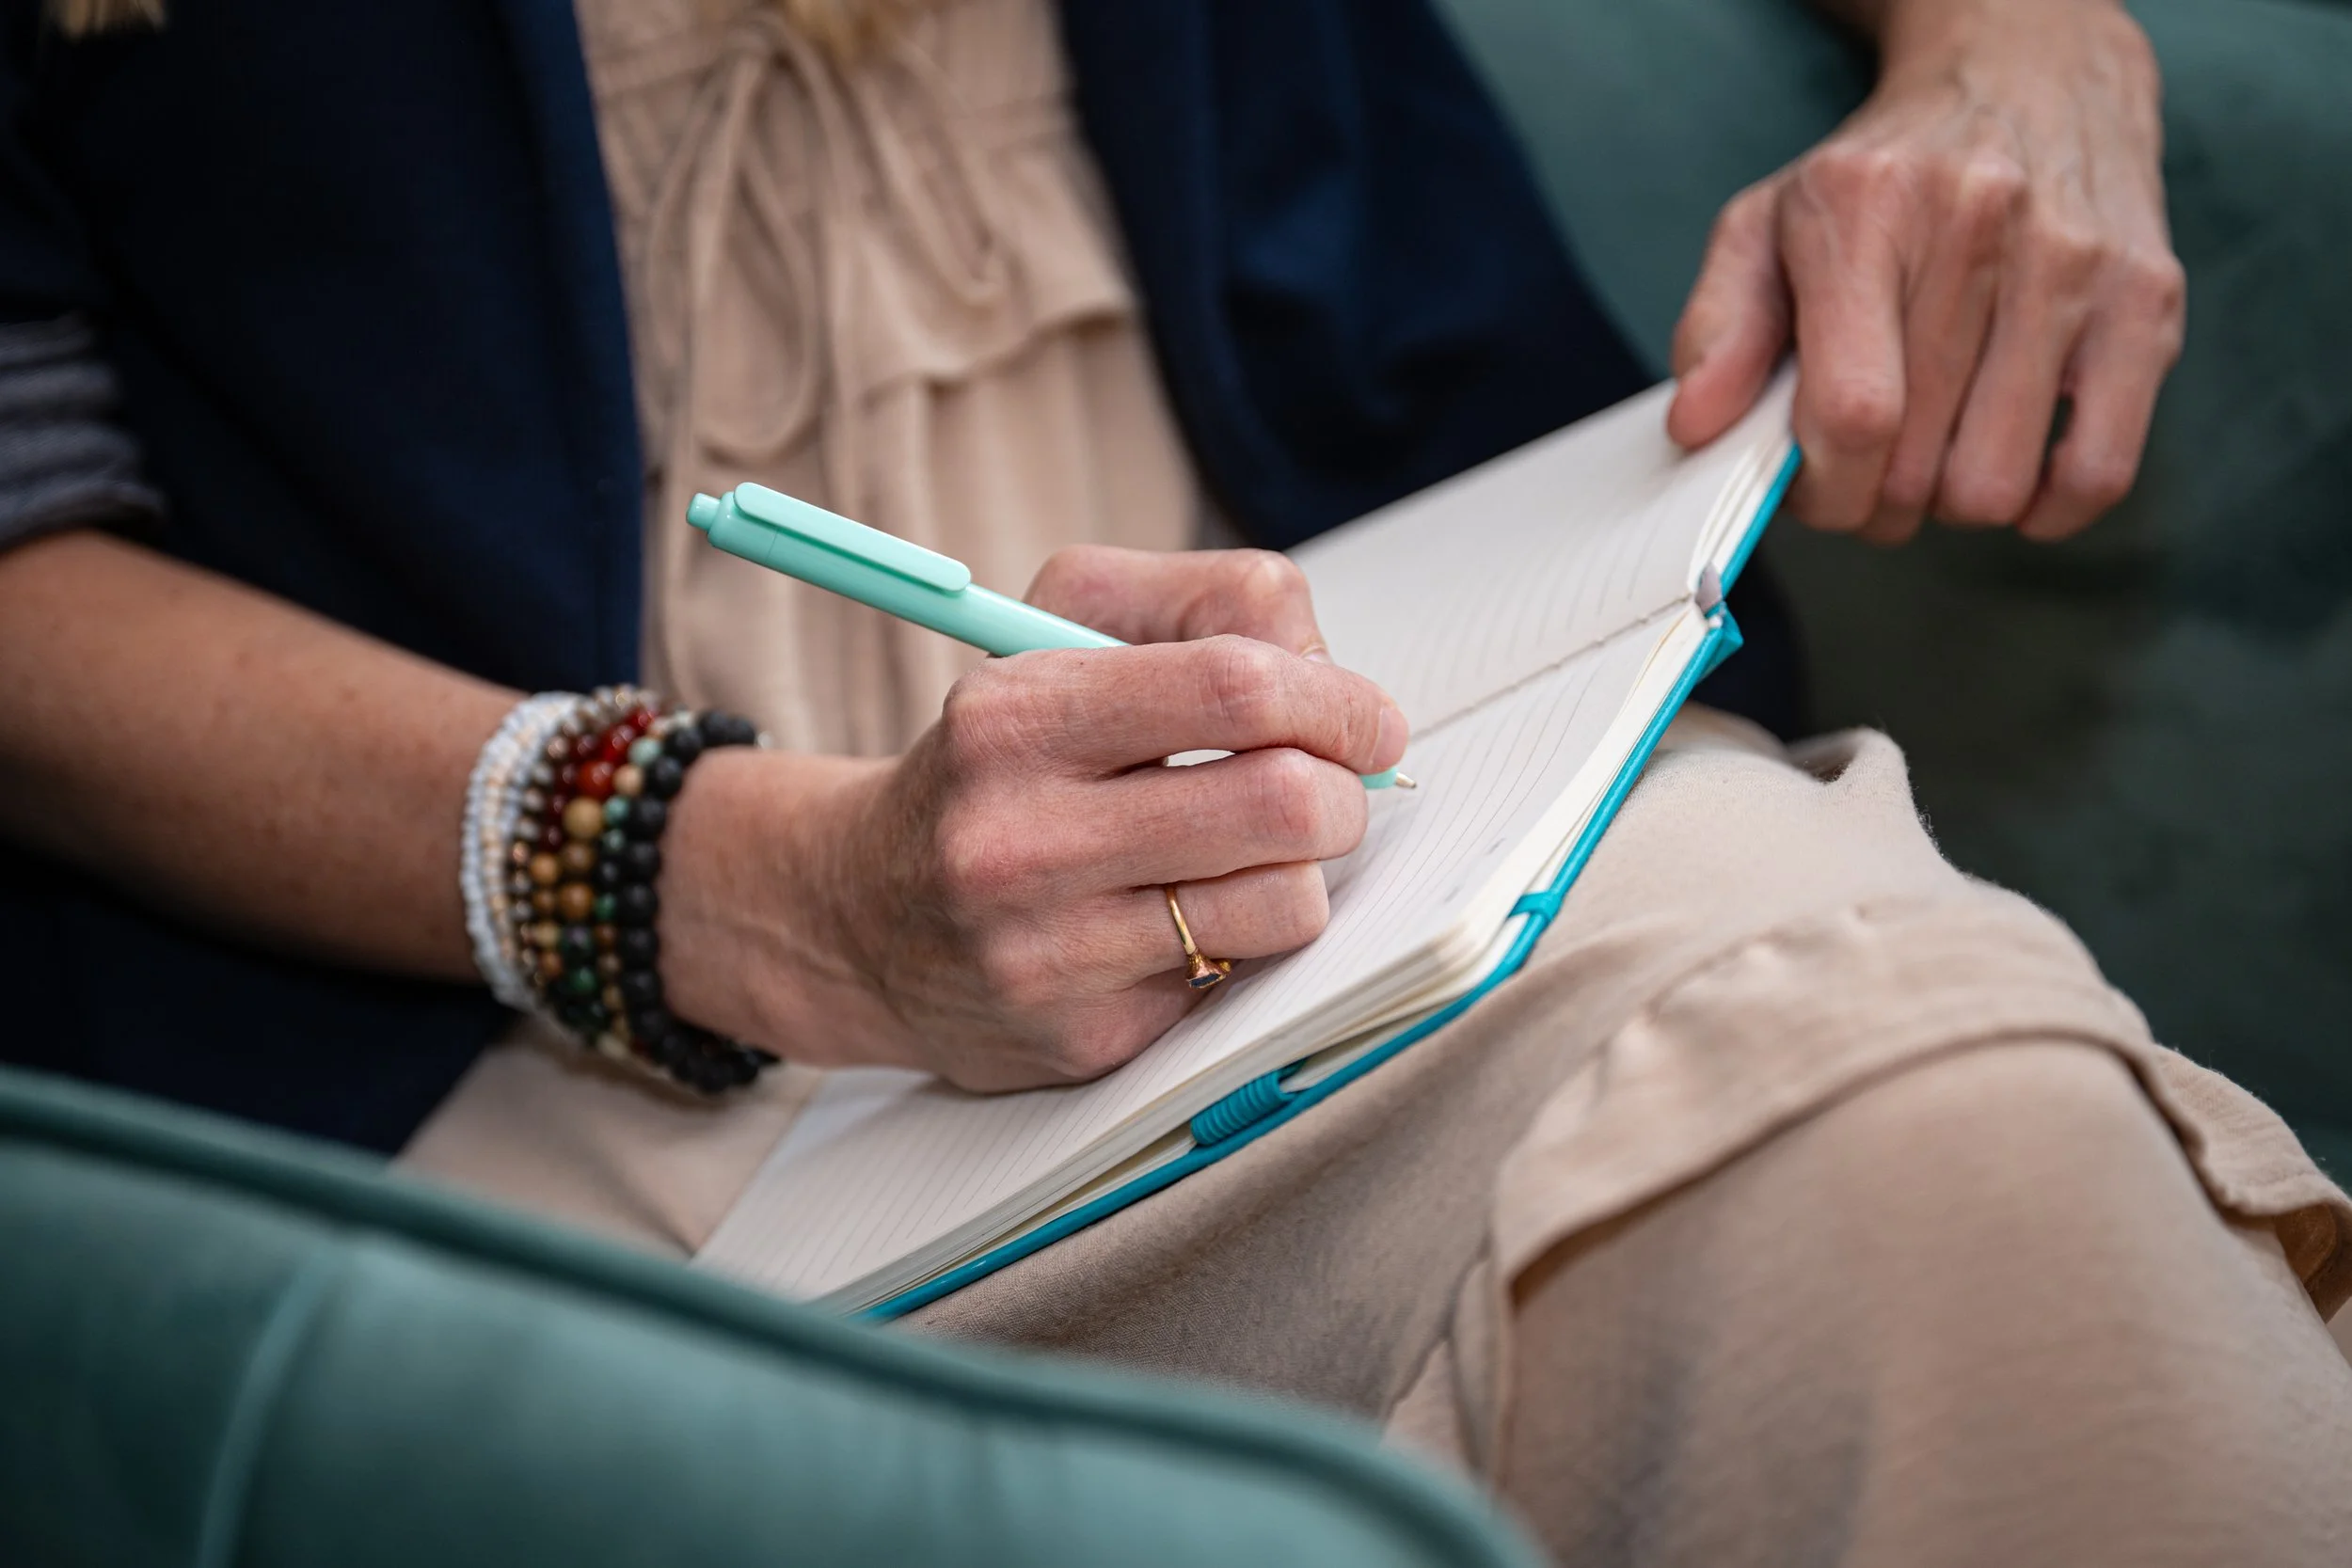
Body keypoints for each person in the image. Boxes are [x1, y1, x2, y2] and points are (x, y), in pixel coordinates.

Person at [1, 0, 2345, 1561]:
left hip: (1383, 781)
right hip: (472, 990)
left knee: (1934, 1136)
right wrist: (761, 891)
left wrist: (2022, 44)